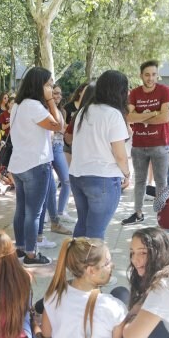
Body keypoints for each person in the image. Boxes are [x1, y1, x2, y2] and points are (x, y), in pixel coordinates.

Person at [41, 238, 127, 338]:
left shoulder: (53, 295)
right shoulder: (112, 307)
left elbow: (46, 333)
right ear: (90, 270)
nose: (112, 266)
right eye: (107, 263)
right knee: (122, 293)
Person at [8, 66, 64, 266]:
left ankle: (21, 248)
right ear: (39, 84)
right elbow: (59, 126)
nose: (50, 88)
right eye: (48, 84)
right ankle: (32, 254)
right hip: (36, 164)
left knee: (21, 210)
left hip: (19, 164)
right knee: (34, 212)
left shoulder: (18, 105)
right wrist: (50, 101)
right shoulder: (35, 106)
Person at [69, 70, 130, 239]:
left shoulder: (83, 111)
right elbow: (120, 155)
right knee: (96, 232)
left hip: (78, 175)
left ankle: (75, 263)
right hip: (103, 178)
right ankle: (93, 265)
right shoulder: (113, 114)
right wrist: (127, 173)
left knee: (82, 224)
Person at [122, 60, 169, 226]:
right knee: (139, 181)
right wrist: (154, 113)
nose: (151, 78)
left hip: (159, 144)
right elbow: (129, 117)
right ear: (141, 75)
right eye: (147, 74)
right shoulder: (134, 93)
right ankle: (137, 213)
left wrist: (141, 115)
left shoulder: (165, 91)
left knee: (161, 182)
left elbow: (165, 118)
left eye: (153, 74)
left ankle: (162, 216)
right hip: (138, 145)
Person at [51, 84, 72, 219]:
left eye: (59, 93)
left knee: (66, 180)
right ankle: (48, 213)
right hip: (46, 149)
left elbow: (63, 129)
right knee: (49, 186)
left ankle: (61, 212)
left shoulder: (62, 111)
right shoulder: (44, 109)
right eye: (55, 93)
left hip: (58, 147)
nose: (58, 96)